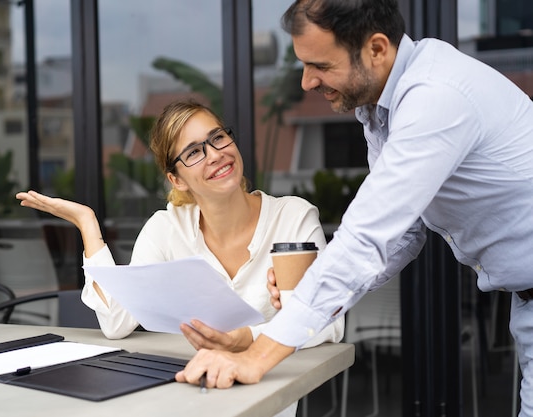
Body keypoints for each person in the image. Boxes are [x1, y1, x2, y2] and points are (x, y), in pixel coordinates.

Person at [175, 1, 533, 415]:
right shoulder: (380, 107)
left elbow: (367, 236)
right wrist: (313, 284)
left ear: (376, 49)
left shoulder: (435, 97)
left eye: (320, 65)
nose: (307, 81)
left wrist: (258, 358)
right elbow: (405, 232)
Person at [16, 99, 344, 417]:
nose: (216, 154)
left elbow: (328, 321)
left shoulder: (292, 218)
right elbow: (116, 324)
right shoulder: (166, 229)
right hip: (182, 401)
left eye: (217, 137)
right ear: (177, 179)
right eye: (193, 152)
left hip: (262, 402)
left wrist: (244, 339)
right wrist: (88, 225)